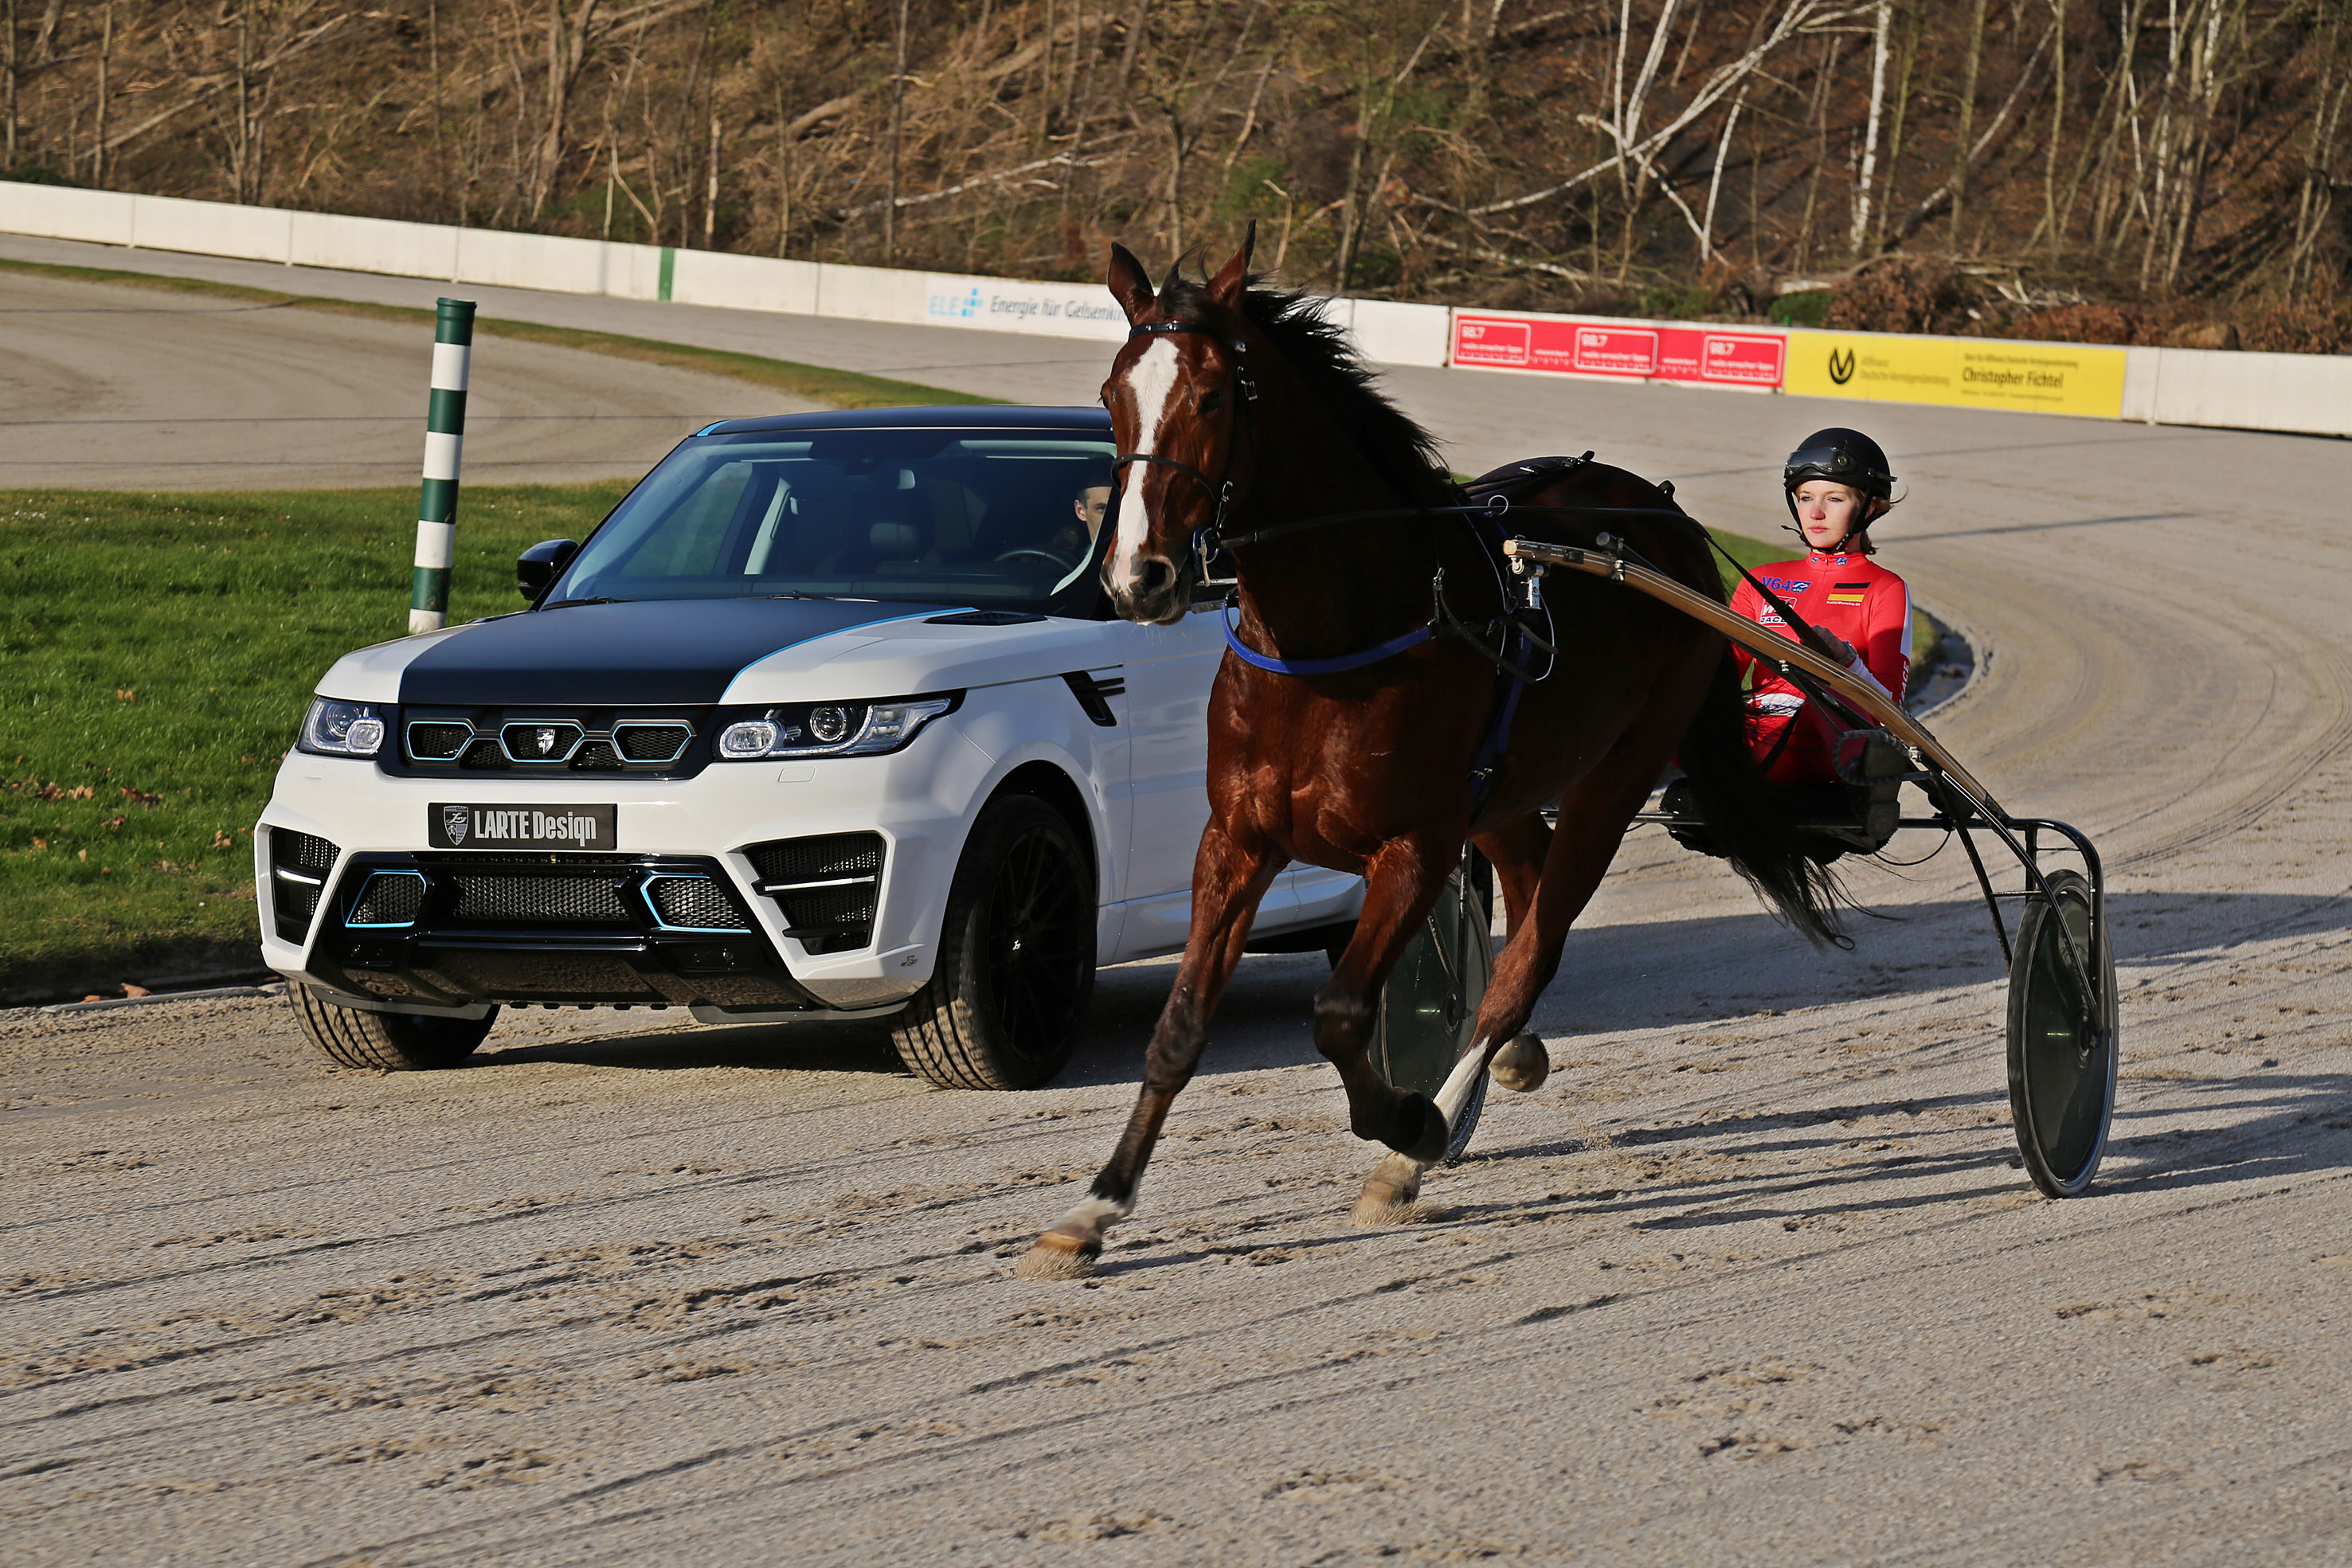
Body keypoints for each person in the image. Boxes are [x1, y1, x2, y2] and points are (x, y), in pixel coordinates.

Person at [1729, 427, 1912, 786]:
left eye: (1834, 499)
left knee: (1817, 704)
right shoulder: (1760, 580)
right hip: (1757, 743)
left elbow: (1891, 710)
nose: (1814, 513)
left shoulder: (1886, 588)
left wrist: (1845, 659)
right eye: (1805, 497)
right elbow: (1719, 676)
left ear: (1870, 508)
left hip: (1832, 748)